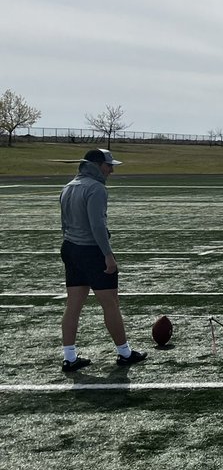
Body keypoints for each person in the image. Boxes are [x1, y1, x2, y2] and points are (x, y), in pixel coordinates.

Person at [58, 149, 147, 371]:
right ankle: (124, 352)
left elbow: (64, 223)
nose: (111, 170)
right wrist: (108, 255)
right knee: (111, 304)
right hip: (91, 251)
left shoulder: (68, 186)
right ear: (97, 165)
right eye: (108, 166)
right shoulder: (96, 189)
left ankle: (69, 357)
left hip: (70, 248)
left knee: (73, 305)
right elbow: (97, 225)